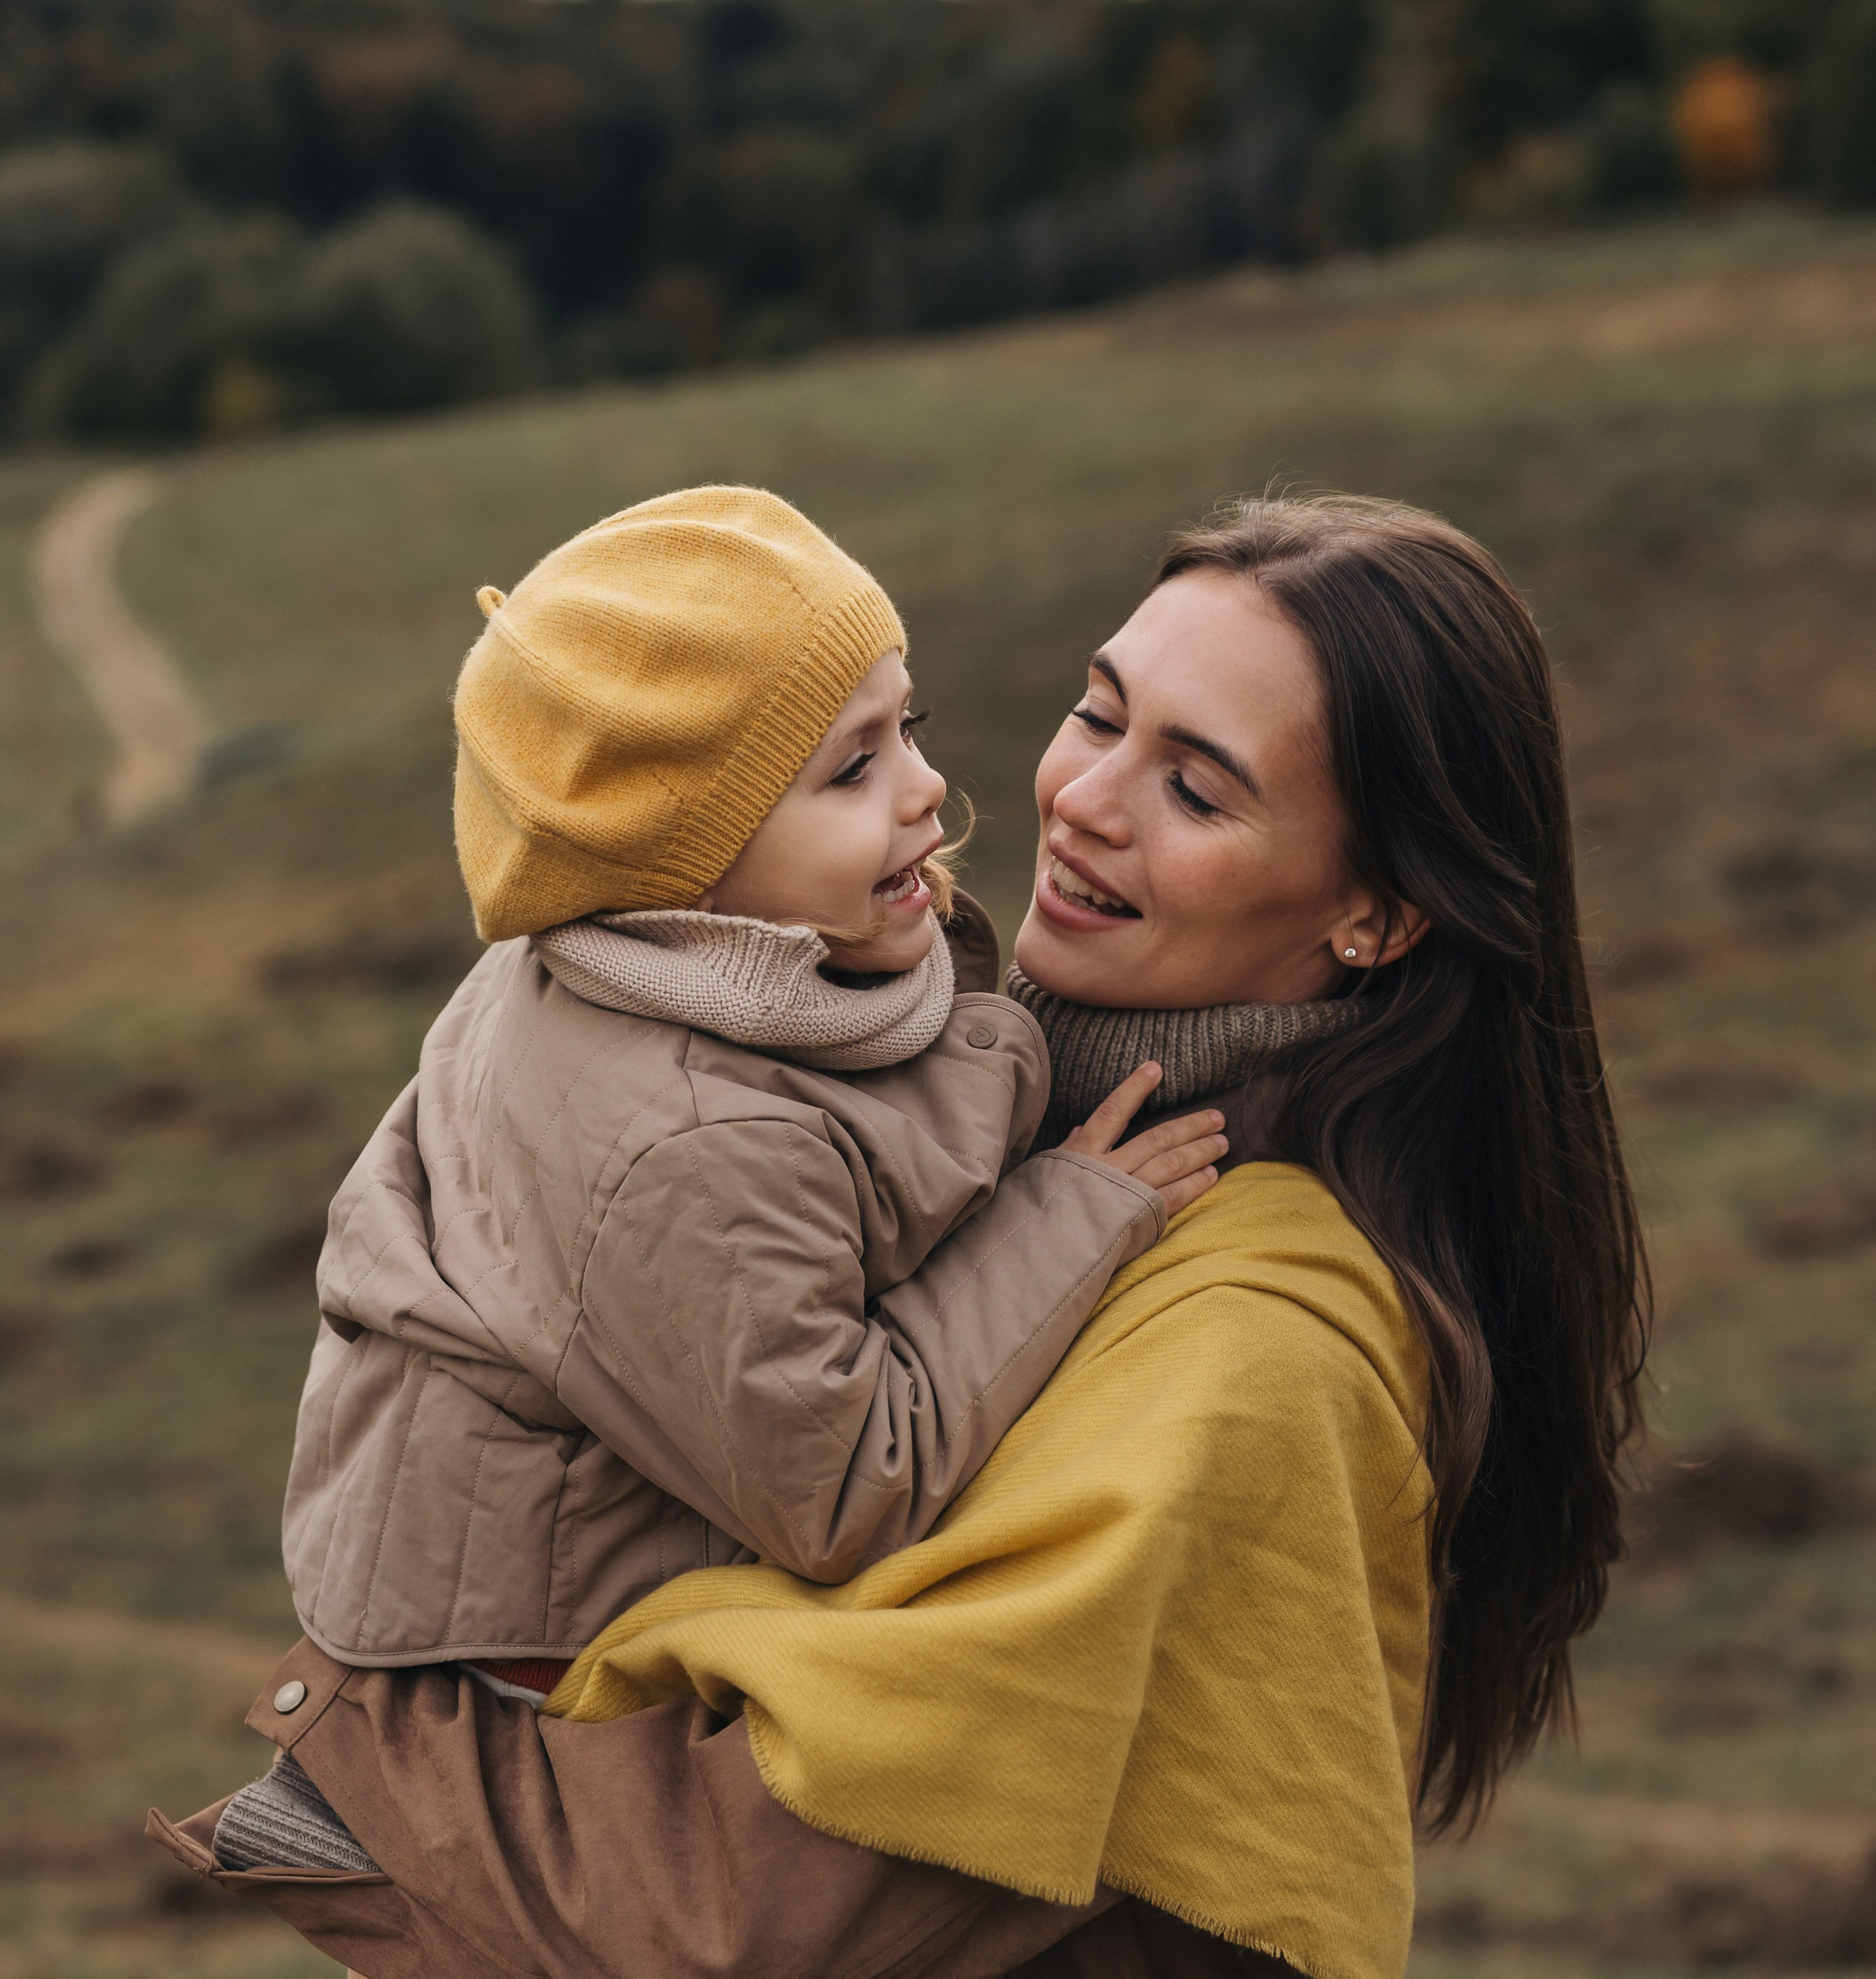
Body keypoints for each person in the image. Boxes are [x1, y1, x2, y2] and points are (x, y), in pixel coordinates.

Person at [149, 491, 1646, 1979]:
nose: (1081, 801)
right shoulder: (982, 1109)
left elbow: (759, 1906)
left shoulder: (1259, 1336)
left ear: (1376, 914)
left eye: (1195, 785)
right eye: (1101, 715)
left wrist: (391, 1829)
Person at [208, 479, 1224, 1883]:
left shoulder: (694, 967)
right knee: (849, 1911)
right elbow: (847, 1480)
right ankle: (415, 1895)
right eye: (851, 770)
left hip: (566, 1551)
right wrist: (1068, 1214)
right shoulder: (681, 1149)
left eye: (904, 728)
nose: (927, 788)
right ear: (687, 868)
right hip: (539, 1680)